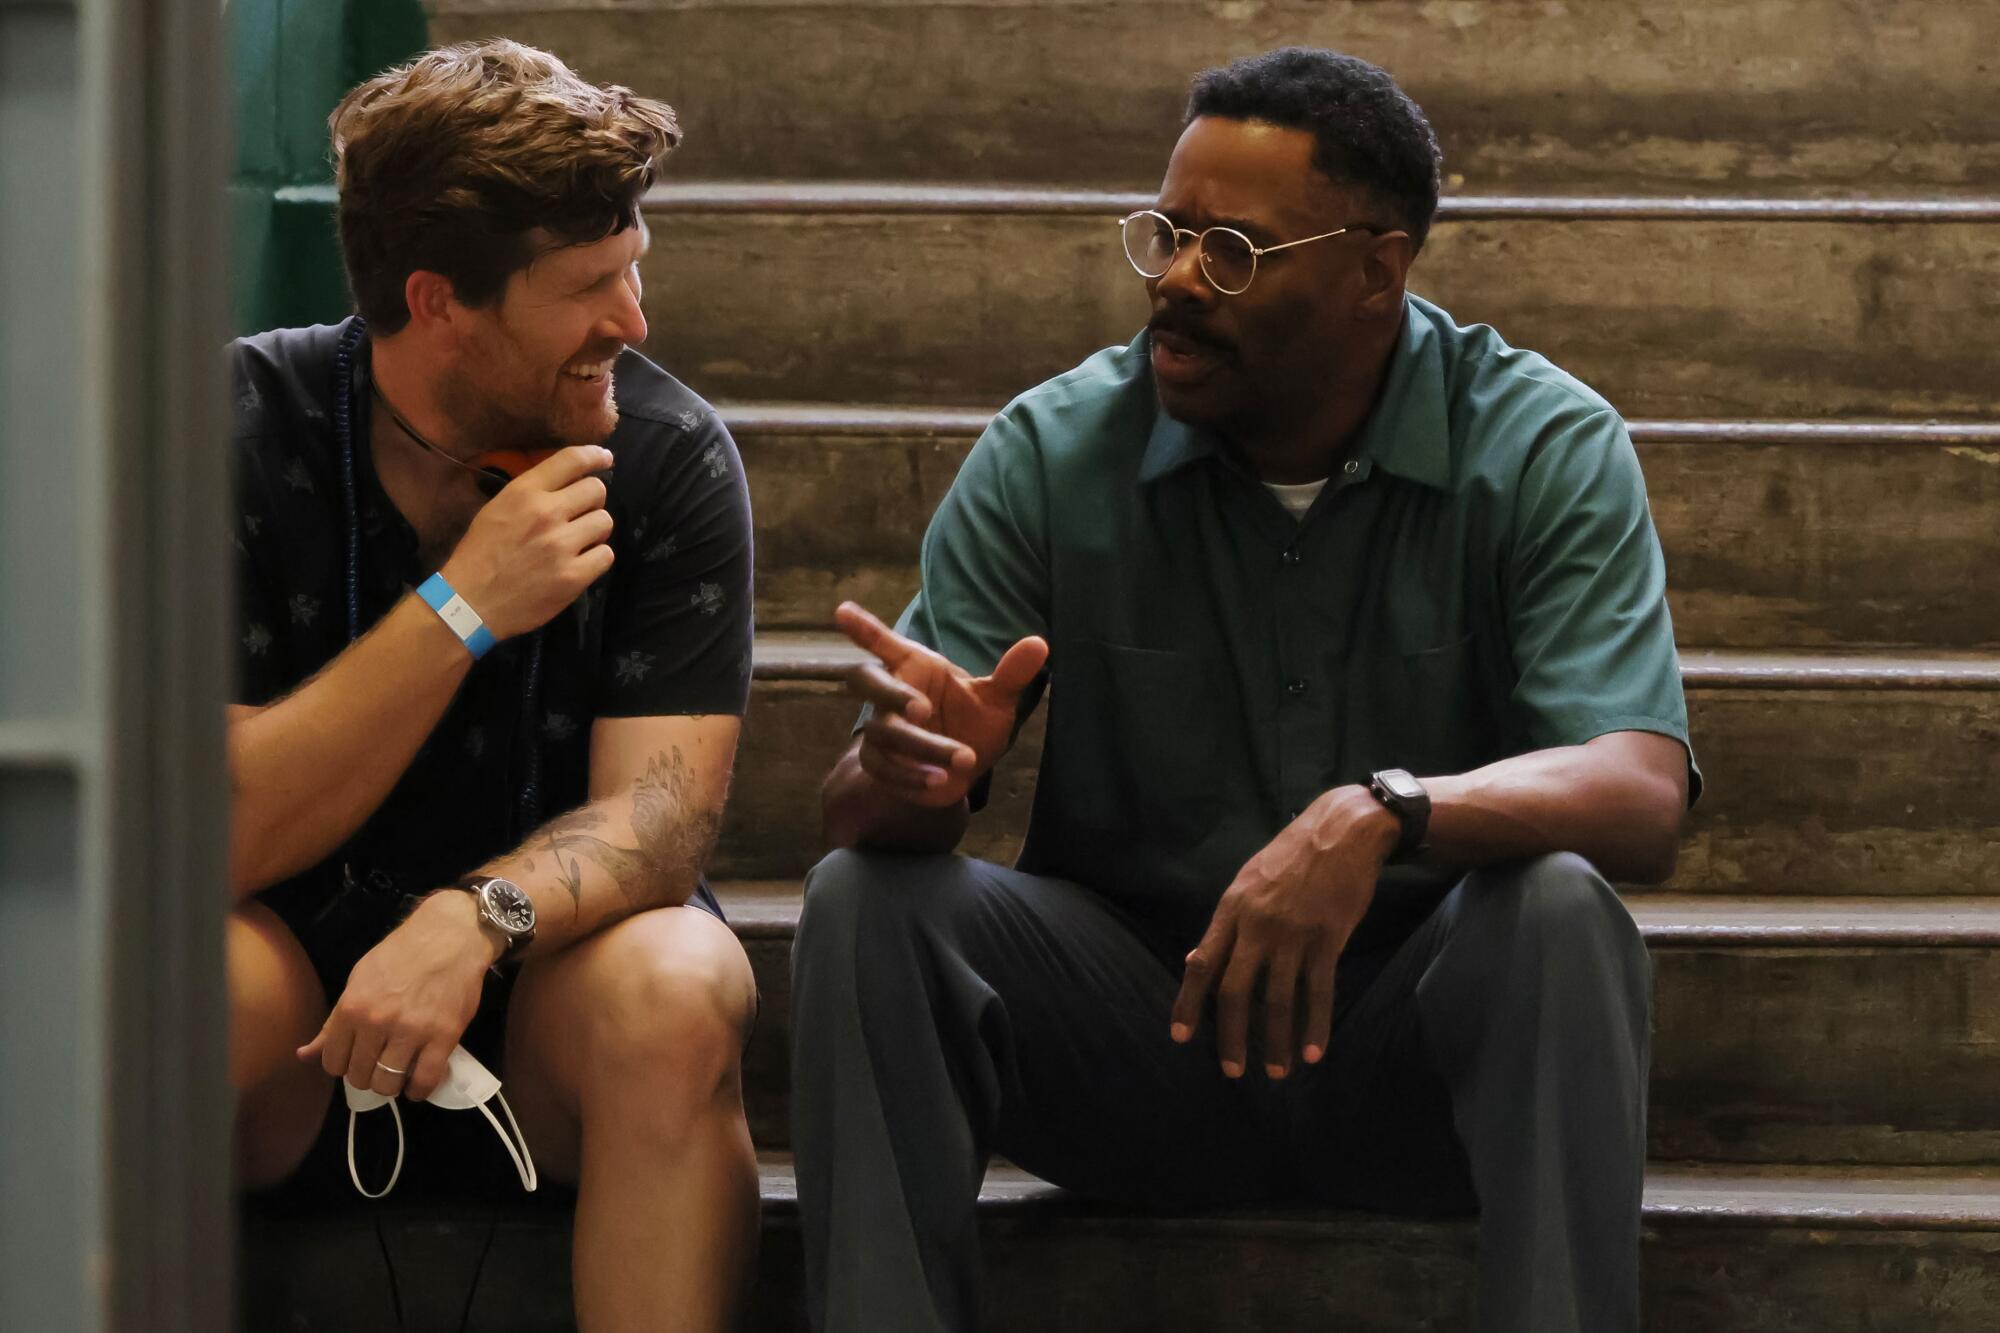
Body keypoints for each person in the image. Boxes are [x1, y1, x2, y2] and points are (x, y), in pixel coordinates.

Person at [792, 46, 1697, 1333]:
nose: (1172, 279)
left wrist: (1384, 811)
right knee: (865, 902)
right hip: (1135, 1049)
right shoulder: (1052, 449)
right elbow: (863, 817)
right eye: (1165, 233)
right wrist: (911, 775)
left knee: (1556, 910)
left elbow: (1637, 785)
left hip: (1420, 1062)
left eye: (1230, 250)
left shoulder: (1539, 442)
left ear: (1375, 272)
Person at [225, 40, 759, 1332]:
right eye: (590, 287)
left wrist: (477, 918)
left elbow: (663, 822)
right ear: (438, 302)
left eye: (633, 270)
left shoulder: (668, 454)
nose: (633, 322)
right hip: (290, 1000)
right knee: (150, 987)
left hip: (545, 1014)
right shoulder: (233, 426)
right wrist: (463, 604)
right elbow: (211, 827)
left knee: (682, 985)